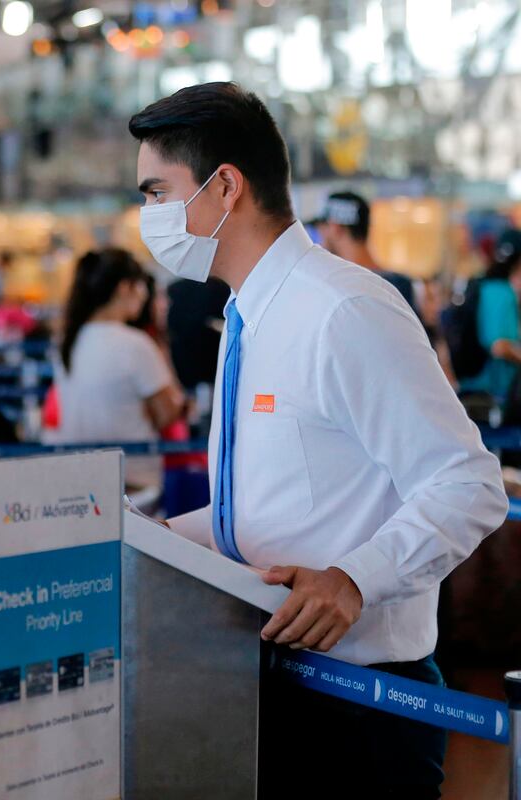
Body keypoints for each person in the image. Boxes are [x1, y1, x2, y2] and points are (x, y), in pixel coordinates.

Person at [129, 82, 507, 796]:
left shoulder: (345, 309)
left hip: (362, 702)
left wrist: (356, 578)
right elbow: (281, 502)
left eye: (156, 192)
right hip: (273, 678)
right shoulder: (249, 315)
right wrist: (150, 537)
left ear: (225, 187)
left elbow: (468, 484)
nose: (148, 216)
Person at [48, 249, 183, 489]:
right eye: (141, 286)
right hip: (132, 477)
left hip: (78, 476)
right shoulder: (136, 344)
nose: (145, 296)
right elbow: (167, 413)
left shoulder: (67, 341)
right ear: (124, 287)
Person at [311, 191, 418, 313]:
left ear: (336, 228)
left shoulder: (338, 284)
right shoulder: (398, 285)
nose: (320, 237)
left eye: (321, 228)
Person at [459, 230, 521, 406]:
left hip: (474, 386)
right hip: (494, 392)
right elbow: (500, 347)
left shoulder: (484, 287)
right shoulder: (503, 293)